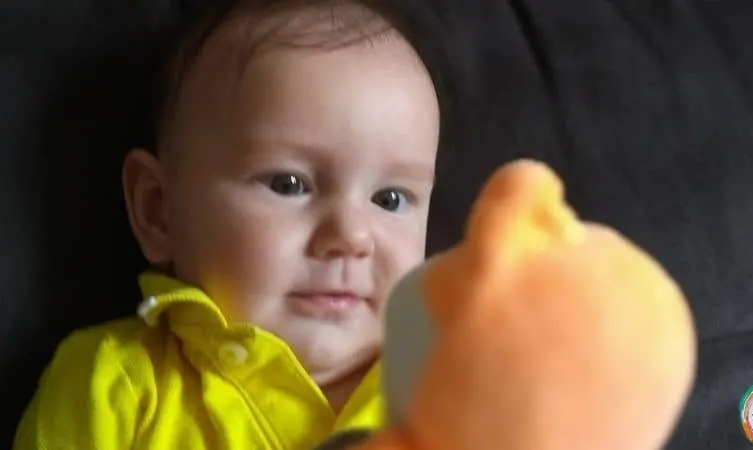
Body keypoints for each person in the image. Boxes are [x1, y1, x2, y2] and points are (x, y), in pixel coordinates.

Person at [13, 0, 440, 448]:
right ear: (159, 210)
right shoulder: (115, 386)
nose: (350, 236)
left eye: (390, 199)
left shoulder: (456, 381)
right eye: (289, 184)